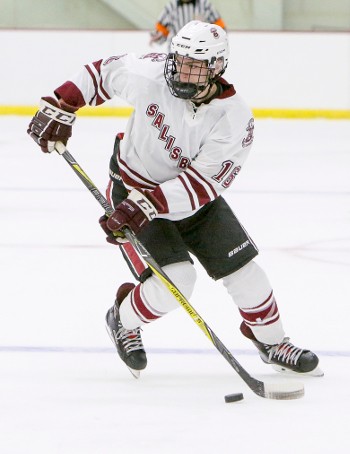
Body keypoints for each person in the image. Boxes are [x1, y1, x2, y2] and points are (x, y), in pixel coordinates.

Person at [27, 20, 323, 380]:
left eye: (195, 65)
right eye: (180, 60)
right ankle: (122, 318)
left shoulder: (234, 119)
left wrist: (145, 208)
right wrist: (61, 105)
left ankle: (273, 343)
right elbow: (101, 73)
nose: (183, 70)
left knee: (247, 274)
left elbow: (201, 185)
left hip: (194, 204)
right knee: (176, 282)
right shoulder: (152, 75)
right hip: (131, 190)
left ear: (217, 67)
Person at [150, 0, 226, 50]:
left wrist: (215, 43)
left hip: (201, 51)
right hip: (176, 51)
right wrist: (157, 36)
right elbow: (160, 30)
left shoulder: (205, 5)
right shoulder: (171, 7)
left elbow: (220, 29)